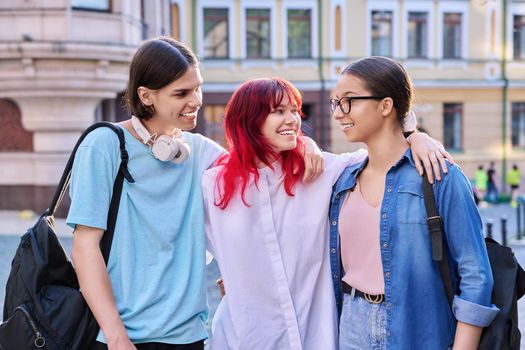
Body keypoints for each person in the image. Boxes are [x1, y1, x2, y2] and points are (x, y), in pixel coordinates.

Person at [66, 36, 328, 350]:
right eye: (181, 93)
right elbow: (84, 248)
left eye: (197, 88)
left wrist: (303, 142)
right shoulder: (104, 145)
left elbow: (259, 165)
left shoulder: (200, 151)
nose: (196, 100)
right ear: (146, 96)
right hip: (120, 338)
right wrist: (115, 335)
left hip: (189, 336)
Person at [202, 77, 453, 350]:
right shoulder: (213, 186)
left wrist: (414, 136)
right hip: (244, 338)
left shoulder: (318, 172)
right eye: (278, 111)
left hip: (314, 336)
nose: (292, 120)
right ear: (249, 119)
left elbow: (379, 153)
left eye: (294, 111)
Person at [329, 57, 499, 350]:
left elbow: (475, 275)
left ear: (385, 106)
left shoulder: (439, 177)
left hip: (419, 328)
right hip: (351, 326)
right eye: (335, 103)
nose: (338, 113)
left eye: (349, 101)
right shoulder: (342, 179)